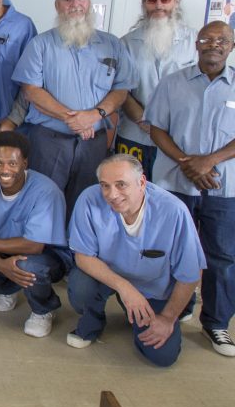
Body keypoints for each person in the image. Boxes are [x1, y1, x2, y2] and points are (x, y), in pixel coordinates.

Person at [12, 0, 137, 222]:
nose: (75, 4)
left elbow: (121, 89)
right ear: (57, 5)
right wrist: (73, 119)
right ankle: (44, 247)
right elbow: (31, 90)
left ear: (88, 3)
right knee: (43, 206)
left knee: (87, 205)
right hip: (49, 142)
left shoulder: (111, 44)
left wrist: (94, 115)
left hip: (94, 143)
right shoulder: (40, 44)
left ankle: (77, 247)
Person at [147, 21, 235, 357]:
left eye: (222, 40)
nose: (214, 44)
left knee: (221, 257)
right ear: (196, 44)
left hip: (224, 188)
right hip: (175, 184)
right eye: (207, 39)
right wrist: (188, 163)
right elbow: (157, 129)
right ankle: (175, 307)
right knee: (170, 251)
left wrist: (209, 161)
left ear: (231, 46)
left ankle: (216, 323)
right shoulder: (173, 82)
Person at [67, 155, 205, 367]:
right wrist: (125, 288)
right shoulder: (89, 200)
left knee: (163, 356)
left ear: (142, 182)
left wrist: (167, 318)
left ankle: (162, 310)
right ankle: (93, 320)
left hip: (153, 287)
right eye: (105, 186)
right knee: (80, 285)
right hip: (110, 277)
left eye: (121, 185)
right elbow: (83, 256)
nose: (112, 194)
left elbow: (190, 273)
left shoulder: (173, 211)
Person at [0, 131, 69, 338]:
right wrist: (0, 264)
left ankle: (43, 309)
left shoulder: (46, 191)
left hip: (48, 255)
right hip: (6, 252)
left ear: (25, 163)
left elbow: (34, 246)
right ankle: (8, 289)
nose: (5, 170)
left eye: (12, 163)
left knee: (28, 266)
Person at [116, 0, 196, 180]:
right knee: (129, 188)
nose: (159, 5)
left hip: (177, 139)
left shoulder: (194, 42)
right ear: (144, 4)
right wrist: (144, 120)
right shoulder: (126, 43)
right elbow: (120, 90)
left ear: (176, 2)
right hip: (135, 135)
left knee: (167, 193)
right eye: (152, 0)